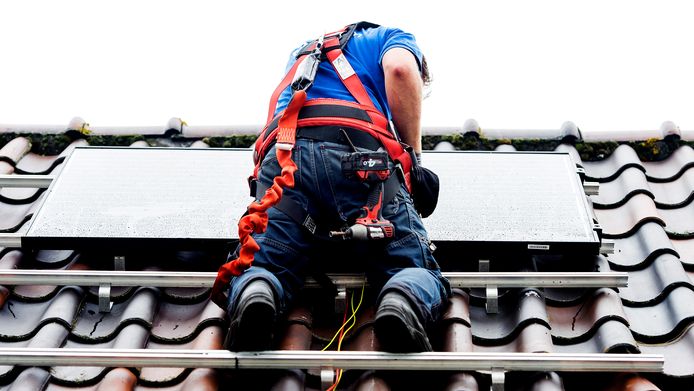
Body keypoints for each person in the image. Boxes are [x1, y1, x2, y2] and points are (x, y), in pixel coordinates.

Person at [212, 22, 451, 352]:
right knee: (411, 267)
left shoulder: (303, 54)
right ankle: (402, 302)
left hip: (285, 163)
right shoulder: (392, 37)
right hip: (361, 162)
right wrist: (415, 160)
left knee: (266, 264)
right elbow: (399, 68)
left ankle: (257, 295)